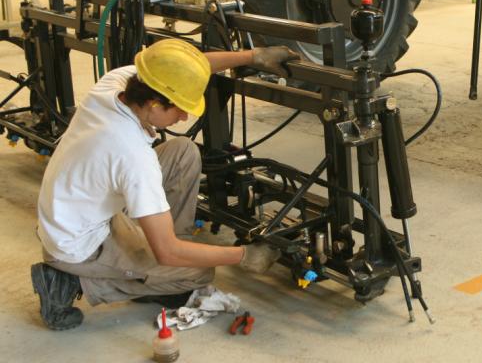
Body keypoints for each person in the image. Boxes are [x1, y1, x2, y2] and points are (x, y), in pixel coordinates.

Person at [30, 39, 298, 330]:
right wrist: (246, 256)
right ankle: (68, 282)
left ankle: (158, 269)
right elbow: (167, 252)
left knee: (183, 151)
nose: (184, 115)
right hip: (78, 244)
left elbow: (184, 68)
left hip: (75, 208)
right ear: (155, 105)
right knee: (196, 275)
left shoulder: (118, 84)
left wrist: (252, 56)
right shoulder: (132, 156)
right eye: (180, 109)